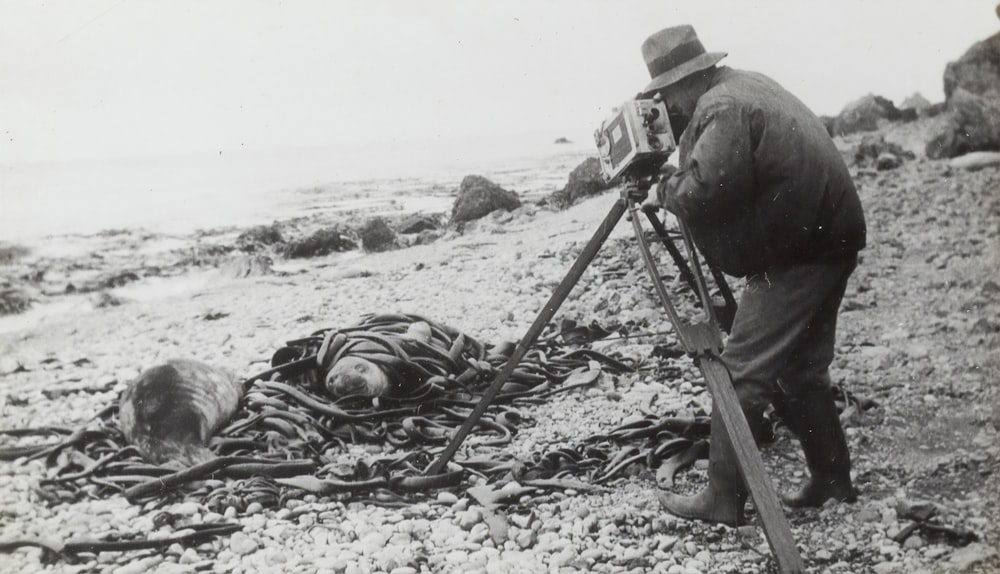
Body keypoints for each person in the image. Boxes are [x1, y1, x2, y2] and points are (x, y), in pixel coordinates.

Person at [639, 25, 867, 526]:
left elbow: (705, 188)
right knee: (802, 368)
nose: (669, 106)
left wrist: (664, 192)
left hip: (800, 252)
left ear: (682, 82)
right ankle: (832, 479)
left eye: (667, 95)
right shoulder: (745, 84)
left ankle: (722, 499)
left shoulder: (719, 107)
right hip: (832, 236)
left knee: (740, 370)